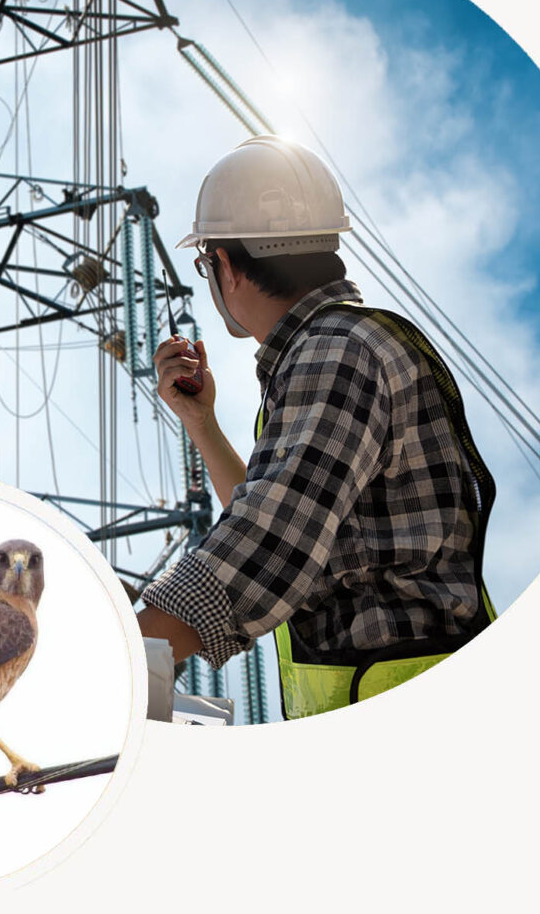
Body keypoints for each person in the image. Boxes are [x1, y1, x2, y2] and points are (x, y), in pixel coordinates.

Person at [137, 135, 495, 718]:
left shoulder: (333, 352)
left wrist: (116, 655)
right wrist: (201, 423)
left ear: (225, 266)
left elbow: (268, 543)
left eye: (206, 263)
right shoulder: (338, 348)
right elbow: (286, 518)